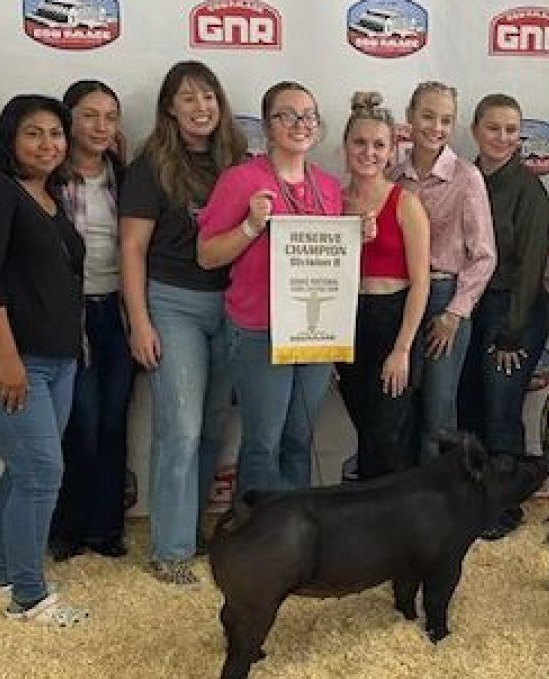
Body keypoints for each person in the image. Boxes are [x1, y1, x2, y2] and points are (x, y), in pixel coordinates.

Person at [0, 95, 89, 626]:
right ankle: (29, 597)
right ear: (9, 139)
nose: (47, 144)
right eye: (34, 133)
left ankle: (6, 574)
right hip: (3, 357)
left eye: (56, 133)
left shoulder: (51, 198)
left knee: (25, 468)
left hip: (57, 360)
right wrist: (7, 360)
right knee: (41, 473)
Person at [121, 62, 246, 584]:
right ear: (170, 107)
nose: (201, 108)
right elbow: (132, 247)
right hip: (172, 305)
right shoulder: (151, 166)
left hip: (232, 306)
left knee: (213, 429)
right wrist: (140, 322)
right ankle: (170, 551)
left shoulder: (237, 163)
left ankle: (192, 532)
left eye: (209, 98)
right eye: (189, 99)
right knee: (181, 428)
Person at [198, 81, 344, 493]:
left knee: (299, 439)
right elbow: (207, 255)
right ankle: (255, 542)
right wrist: (249, 226)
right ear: (267, 125)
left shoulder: (329, 188)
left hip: (313, 333)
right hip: (259, 329)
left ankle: (293, 538)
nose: (300, 124)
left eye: (309, 115)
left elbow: (334, 264)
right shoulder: (242, 180)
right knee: (264, 442)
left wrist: (357, 237)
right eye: (288, 115)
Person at [457, 93, 549, 537]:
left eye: (511, 129)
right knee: (469, 403)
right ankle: (475, 500)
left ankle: (505, 507)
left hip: (515, 309)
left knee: (500, 407)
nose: (502, 137)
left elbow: (532, 263)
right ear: (475, 130)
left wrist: (513, 329)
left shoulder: (528, 188)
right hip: (467, 306)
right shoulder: (461, 177)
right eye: (493, 127)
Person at [388, 81, 497, 462]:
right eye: (428, 116)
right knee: (398, 407)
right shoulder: (392, 177)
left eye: (446, 120)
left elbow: (484, 256)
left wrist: (454, 314)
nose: (436, 127)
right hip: (397, 298)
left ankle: (437, 512)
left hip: (442, 299)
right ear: (410, 116)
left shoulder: (467, 178)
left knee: (438, 411)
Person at [48, 79, 132, 562]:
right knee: (77, 421)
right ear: (69, 119)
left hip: (116, 311)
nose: (101, 126)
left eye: (110, 117)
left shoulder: (125, 176)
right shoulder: (50, 179)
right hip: (67, 315)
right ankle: (68, 527)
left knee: (113, 421)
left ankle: (106, 528)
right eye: (89, 115)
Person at [335, 91, 430, 480]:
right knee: (367, 430)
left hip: (394, 319)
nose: (369, 152)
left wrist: (403, 349)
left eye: (379, 144)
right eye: (360, 142)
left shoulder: (405, 203)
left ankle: (396, 533)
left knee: (391, 435)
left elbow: (421, 283)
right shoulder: (333, 203)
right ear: (345, 147)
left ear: (392, 151)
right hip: (349, 323)